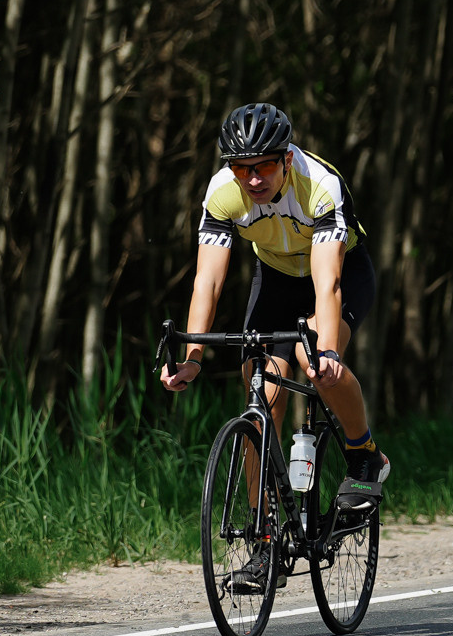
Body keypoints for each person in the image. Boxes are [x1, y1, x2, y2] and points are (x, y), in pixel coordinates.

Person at [160, 102, 389, 574]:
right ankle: (264, 537)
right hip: (278, 278)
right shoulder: (223, 193)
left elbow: (327, 283)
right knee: (261, 396)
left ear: (286, 159)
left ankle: (365, 456)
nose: (254, 179)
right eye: (242, 168)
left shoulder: (320, 186)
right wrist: (194, 357)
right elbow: (207, 282)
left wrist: (324, 349)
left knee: (317, 369)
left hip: (339, 271)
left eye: (264, 165)